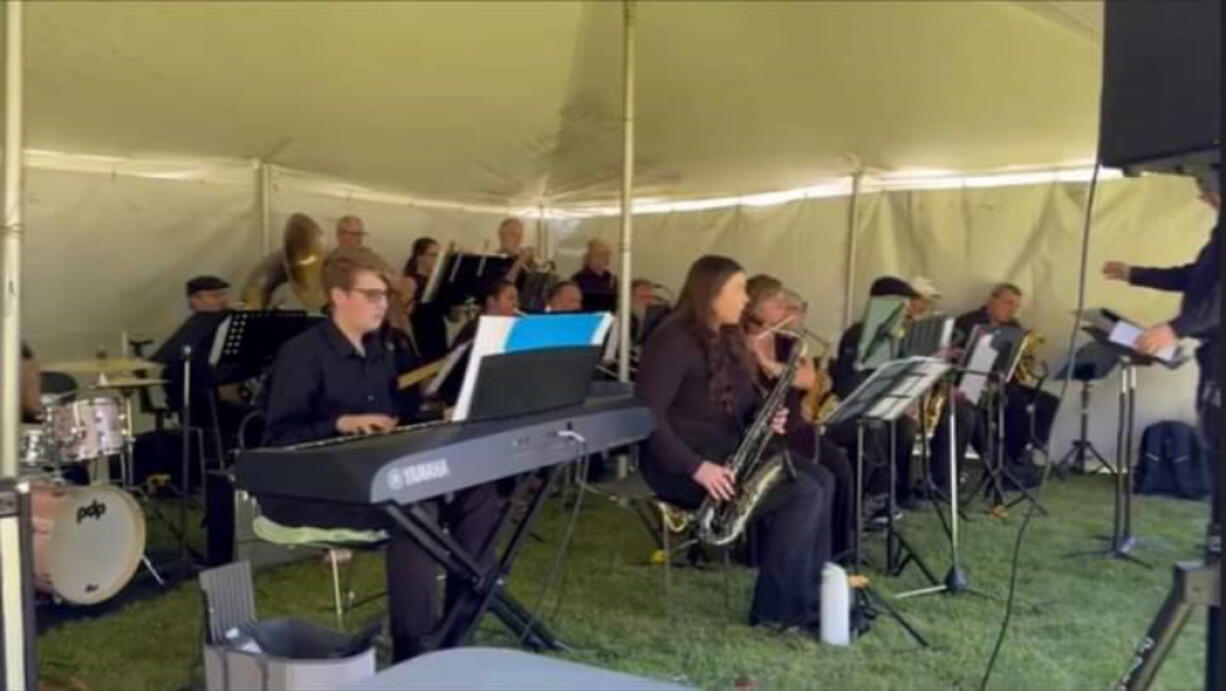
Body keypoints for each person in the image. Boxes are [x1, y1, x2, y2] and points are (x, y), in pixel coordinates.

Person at [259, 245, 501, 662]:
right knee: (413, 510)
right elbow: (277, 441)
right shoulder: (302, 354)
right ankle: (416, 653)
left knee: (479, 493)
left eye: (384, 295)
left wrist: (437, 412)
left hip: (374, 474)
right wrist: (340, 424)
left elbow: (395, 416)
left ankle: (459, 629)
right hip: (314, 487)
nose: (382, 304)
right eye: (372, 295)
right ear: (338, 296)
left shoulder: (381, 350)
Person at [636, 255, 832, 632]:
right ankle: (775, 610)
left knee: (822, 478)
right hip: (683, 466)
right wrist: (696, 467)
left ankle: (808, 594)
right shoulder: (671, 340)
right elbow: (647, 417)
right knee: (803, 492)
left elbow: (741, 403)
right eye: (738, 289)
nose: (745, 299)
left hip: (727, 454)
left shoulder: (727, 336)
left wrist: (765, 416)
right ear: (711, 294)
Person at [1103, 171, 1220, 478]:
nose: (1205, 199)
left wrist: (1174, 329)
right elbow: (1195, 278)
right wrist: (1135, 274)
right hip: (1213, 352)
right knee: (1212, 435)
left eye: (1208, 191)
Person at [743, 274, 853, 560]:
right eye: (775, 300)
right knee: (817, 478)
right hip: (761, 430)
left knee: (840, 467)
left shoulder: (788, 340)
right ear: (754, 305)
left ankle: (837, 549)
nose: (783, 306)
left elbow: (806, 379)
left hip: (795, 426)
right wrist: (751, 352)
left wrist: (768, 362)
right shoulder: (738, 339)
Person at [829, 276, 923, 519]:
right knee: (876, 427)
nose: (907, 310)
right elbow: (851, 387)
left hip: (879, 405)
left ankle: (891, 492)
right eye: (901, 304)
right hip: (852, 410)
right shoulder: (858, 334)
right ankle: (861, 500)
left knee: (905, 428)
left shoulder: (895, 336)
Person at [931, 282, 1041, 491]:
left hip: (995, 386)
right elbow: (949, 360)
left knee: (1036, 403)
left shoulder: (1014, 327)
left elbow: (1012, 366)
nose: (1012, 309)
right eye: (1008, 303)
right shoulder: (967, 322)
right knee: (969, 412)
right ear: (992, 299)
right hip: (964, 384)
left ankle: (1013, 462)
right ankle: (998, 469)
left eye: (1016, 306)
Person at [402, 237, 448, 362]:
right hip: (419, 339)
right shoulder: (410, 281)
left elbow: (453, 317)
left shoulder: (439, 283)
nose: (437, 259)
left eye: (439, 255)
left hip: (438, 339)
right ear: (419, 257)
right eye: (433, 255)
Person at [572, 238, 616, 312]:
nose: (606, 257)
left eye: (608, 253)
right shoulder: (577, 281)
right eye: (601, 253)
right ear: (589, 256)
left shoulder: (612, 280)